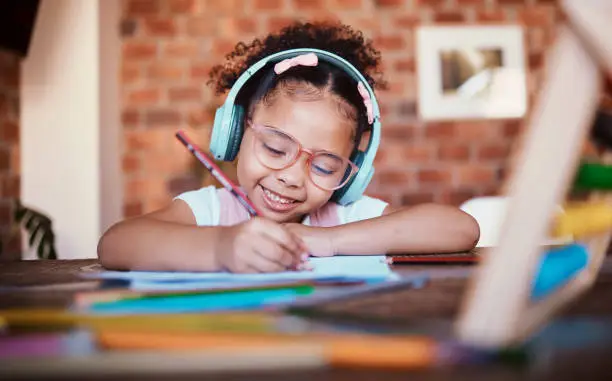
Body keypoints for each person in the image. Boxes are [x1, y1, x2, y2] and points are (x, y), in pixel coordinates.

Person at [98, 21, 480, 273]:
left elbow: (461, 229)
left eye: (325, 167)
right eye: (276, 149)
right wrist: (221, 248)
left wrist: (326, 240)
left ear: (354, 171)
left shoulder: (344, 217)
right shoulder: (210, 211)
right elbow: (115, 244)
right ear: (236, 132)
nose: (292, 178)